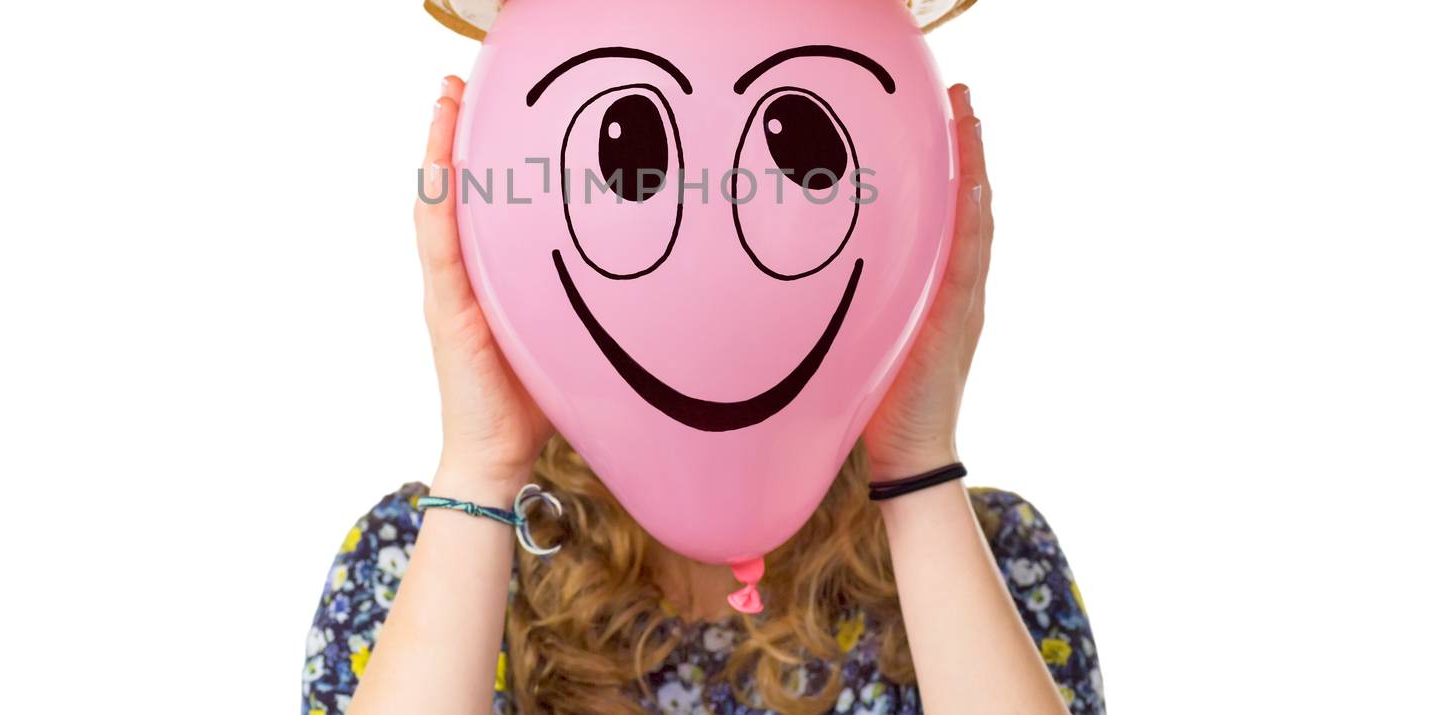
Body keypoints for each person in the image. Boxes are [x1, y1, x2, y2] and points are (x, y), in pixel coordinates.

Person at [302, 78, 1103, 715]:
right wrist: (479, 468)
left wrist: (917, 462)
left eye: (801, 165)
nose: (715, 249)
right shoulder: (413, 556)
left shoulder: (997, 555)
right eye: (633, 169)